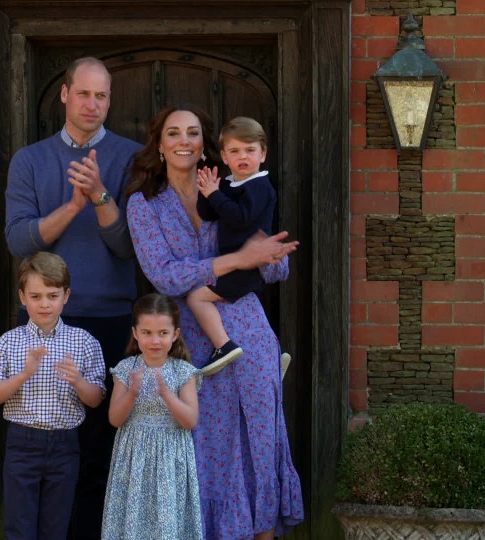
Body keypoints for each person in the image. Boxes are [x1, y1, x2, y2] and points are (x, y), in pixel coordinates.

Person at [124, 105, 304, 539]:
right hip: (191, 343)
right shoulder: (143, 205)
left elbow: (273, 265)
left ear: (204, 145)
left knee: (258, 443)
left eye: (192, 133)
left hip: (249, 332)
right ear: (160, 145)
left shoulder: (234, 188)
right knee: (204, 451)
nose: (184, 140)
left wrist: (266, 258)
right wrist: (238, 259)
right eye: (173, 133)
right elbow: (163, 274)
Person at [4, 56, 142, 538]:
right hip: (46, 321)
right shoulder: (30, 160)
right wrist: (72, 206)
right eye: (83, 94)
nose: (92, 104)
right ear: (64, 94)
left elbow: (129, 246)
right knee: (48, 446)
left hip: (110, 318)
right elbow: (21, 242)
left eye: (101, 96)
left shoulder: (131, 157)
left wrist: (101, 197)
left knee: (103, 445)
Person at [0, 252, 107, 540]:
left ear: (66, 296)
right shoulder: (10, 341)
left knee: (56, 527)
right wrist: (23, 375)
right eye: (36, 296)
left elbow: (96, 399)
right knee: (19, 527)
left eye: (52, 295)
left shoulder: (84, 341)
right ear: (22, 297)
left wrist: (77, 381)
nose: (44, 304)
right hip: (22, 443)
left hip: (65, 445)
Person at [102, 293, 204, 540]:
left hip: (171, 456)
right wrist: (133, 392)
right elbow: (115, 419)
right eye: (147, 333)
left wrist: (167, 394)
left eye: (162, 333)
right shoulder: (126, 369)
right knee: (133, 518)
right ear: (135, 333)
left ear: (175, 334)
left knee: (167, 521)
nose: (155, 340)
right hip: (134, 456)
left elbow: (190, 420)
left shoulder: (183, 371)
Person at [189, 116, 278, 376]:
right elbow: (209, 214)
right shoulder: (230, 184)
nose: (243, 157)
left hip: (247, 267)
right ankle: (263, 357)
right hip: (232, 264)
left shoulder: (260, 186)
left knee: (197, 297)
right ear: (225, 157)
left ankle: (223, 346)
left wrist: (216, 196)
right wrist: (207, 191)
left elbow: (241, 217)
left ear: (263, 154)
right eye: (235, 151)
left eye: (250, 150)